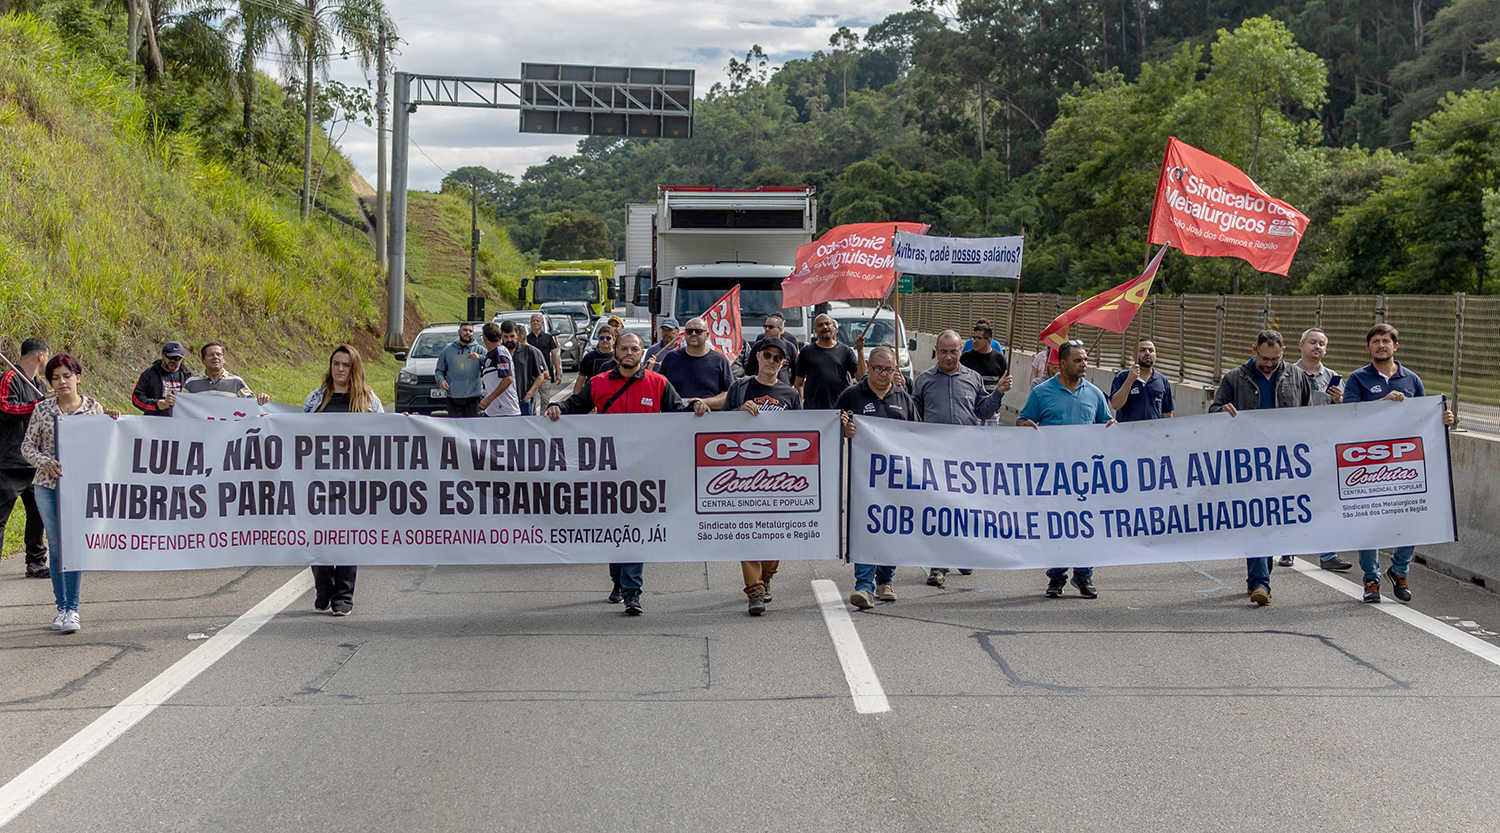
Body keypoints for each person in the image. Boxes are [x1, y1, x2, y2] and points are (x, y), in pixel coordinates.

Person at [547, 332, 710, 615]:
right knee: (614, 529)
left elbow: (677, 411)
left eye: (635, 349)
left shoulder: (658, 383)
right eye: (625, 348)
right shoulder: (598, 384)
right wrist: (556, 406)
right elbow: (576, 406)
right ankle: (618, 581)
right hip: (609, 471)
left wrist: (694, 404)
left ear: (642, 352)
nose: (629, 353)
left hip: (645, 471)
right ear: (616, 353)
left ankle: (633, 591)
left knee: (636, 529)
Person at [1342, 323, 1457, 603]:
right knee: (1367, 522)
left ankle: (1399, 569)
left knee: (1412, 517)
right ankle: (1371, 579)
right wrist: (1382, 401)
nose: (1381, 345)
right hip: (1367, 463)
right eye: (1375, 341)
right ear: (1368, 347)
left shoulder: (1412, 379)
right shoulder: (1358, 378)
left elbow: (1424, 416)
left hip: (1404, 462)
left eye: (1386, 341)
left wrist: (1445, 420)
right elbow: (1348, 416)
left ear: (1396, 346)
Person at [1207, 330, 1313, 607]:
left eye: (1275, 358)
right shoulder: (1234, 378)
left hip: (1284, 461)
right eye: (1264, 358)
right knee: (1256, 518)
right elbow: (1213, 409)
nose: (1269, 363)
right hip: (1247, 462)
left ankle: (1260, 573)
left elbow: (1309, 416)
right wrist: (1222, 411)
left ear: (1283, 351)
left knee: (1273, 521)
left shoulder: (1296, 376)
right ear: (1254, 350)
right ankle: (1260, 581)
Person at [22, 354, 120, 634]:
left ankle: (73, 609)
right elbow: (27, 447)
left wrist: (112, 420)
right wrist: (45, 462)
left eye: (67, 375)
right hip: (47, 486)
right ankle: (61, 607)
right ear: (50, 381)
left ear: (78, 377)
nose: (62, 381)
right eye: (55, 377)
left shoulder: (94, 408)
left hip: (81, 488)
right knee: (56, 545)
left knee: (73, 545)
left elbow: (109, 444)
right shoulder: (42, 410)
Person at [1018, 339, 1115, 599]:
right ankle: (1057, 577)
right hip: (1053, 475)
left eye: (1085, 359)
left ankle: (1084, 576)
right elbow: (1022, 420)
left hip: (1086, 476)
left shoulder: (1094, 394)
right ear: (1061, 364)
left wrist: (1112, 427)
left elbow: (1107, 424)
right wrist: (1026, 425)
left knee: (1086, 526)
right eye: (1078, 360)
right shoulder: (1042, 393)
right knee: (1058, 526)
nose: (1084, 364)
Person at [912, 330, 1010, 586]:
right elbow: (913, 417)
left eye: (953, 351)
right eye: (943, 351)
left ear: (960, 351)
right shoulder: (923, 380)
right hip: (934, 456)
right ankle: (938, 564)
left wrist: (997, 393)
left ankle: (963, 554)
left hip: (965, 457)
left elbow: (984, 412)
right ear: (936, 350)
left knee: (964, 509)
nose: (948, 356)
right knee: (938, 510)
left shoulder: (973, 378)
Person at [302, 345, 383, 616]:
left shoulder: (368, 400)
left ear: (354, 368)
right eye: (335, 363)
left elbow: (385, 434)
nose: (339, 369)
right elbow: (296, 432)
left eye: (345, 365)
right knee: (317, 538)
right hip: (319, 482)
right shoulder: (316, 398)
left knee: (348, 539)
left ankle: (343, 597)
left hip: (354, 483)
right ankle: (323, 585)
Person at [723, 336, 801, 615]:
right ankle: (754, 589)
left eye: (778, 358)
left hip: (779, 478)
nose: (772, 361)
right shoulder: (740, 387)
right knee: (748, 532)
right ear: (757, 357)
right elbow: (720, 428)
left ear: (784, 364)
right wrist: (737, 413)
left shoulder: (790, 395)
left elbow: (802, 435)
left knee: (776, 534)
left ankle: (766, 577)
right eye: (767, 355)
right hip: (744, 477)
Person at [837, 345, 919, 609]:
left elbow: (918, 436)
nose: (883, 374)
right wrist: (844, 430)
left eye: (888, 369)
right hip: (864, 480)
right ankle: (863, 586)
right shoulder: (852, 395)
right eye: (878, 369)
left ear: (895, 370)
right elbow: (831, 428)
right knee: (866, 529)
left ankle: (886, 579)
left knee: (891, 528)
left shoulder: (904, 399)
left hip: (896, 479)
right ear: (868, 368)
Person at [1283, 328, 1350, 571]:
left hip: (1322, 447)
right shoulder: (1286, 373)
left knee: (1325, 500)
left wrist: (1339, 400)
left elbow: (1345, 415)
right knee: (1293, 499)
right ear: (1301, 345)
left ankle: (1328, 554)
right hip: (1293, 446)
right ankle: (1288, 549)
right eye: (1313, 342)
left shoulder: (1332, 377)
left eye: (1322, 343)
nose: (1317, 347)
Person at [1, 338, 51, 578]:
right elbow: (4, 409)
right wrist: (38, 405)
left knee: (38, 513)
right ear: (41, 356)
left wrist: (48, 403)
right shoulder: (10, 378)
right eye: (47, 357)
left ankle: (36, 561)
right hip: (9, 462)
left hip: (35, 462)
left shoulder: (40, 385)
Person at [657, 317, 734, 410]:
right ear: (684, 334)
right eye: (689, 331)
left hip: (708, 418)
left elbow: (729, 395)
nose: (693, 334)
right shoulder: (670, 358)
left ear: (707, 335)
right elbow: (659, 387)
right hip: (674, 418)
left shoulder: (720, 361)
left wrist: (703, 402)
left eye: (698, 331)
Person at [795, 313, 862, 410]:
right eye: (820, 325)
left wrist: (860, 351)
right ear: (815, 330)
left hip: (839, 409)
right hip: (813, 410)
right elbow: (798, 384)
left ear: (834, 327)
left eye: (827, 324)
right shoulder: (806, 352)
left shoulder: (845, 351)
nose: (824, 327)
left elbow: (861, 378)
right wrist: (799, 407)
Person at [183, 341, 271, 404]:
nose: (215, 357)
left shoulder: (236, 382)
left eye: (219, 354)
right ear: (203, 360)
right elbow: (181, 405)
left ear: (223, 359)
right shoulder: (191, 383)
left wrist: (262, 399)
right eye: (211, 355)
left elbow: (252, 404)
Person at [1108, 339, 1174, 422]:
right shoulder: (1122, 377)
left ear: (1155, 355)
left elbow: (1167, 413)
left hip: (1153, 432)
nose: (1147, 353)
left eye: (1151, 350)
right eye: (1142, 350)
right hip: (1128, 432)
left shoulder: (1162, 380)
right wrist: (1130, 380)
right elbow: (1116, 405)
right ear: (1134, 356)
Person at [959, 320, 1008, 425]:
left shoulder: (999, 358)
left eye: (979, 338)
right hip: (970, 409)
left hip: (992, 412)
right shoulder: (966, 358)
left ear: (989, 341)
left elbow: (1003, 381)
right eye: (974, 337)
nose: (974, 341)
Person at [434, 322, 486, 418]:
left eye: (470, 331)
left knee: (472, 427)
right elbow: (439, 370)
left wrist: (480, 357)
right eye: (465, 330)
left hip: (473, 396)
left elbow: (490, 363)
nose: (468, 333)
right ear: (459, 332)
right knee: (455, 427)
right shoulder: (447, 351)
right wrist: (441, 381)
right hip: (453, 396)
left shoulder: (480, 350)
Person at [132, 341, 191, 416]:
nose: (172, 361)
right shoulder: (149, 374)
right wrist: (156, 404)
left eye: (176, 358)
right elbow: (136, 398)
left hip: (180, 424)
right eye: (169, 357)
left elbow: (196, 402)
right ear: (163, 355)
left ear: (181, 359)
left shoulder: (188, 377)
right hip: (154, 422)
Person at [502, 321, 548, 414]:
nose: (509, 340)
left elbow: (540, 376)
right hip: (503, 402)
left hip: (523, 401)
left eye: (512, 336)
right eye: (506, 337)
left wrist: (529, 394)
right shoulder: (498, 353)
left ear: (517, 334)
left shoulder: (529, 351)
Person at [740, 314, 798, 384]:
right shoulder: (758, 346)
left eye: (771, 327)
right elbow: (749, 369)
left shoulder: (790, 347)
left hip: (781, 390)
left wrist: (790, 385)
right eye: (765, 326)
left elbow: (796, 370)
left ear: (780, 329)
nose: (767, 329)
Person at [478, 322, 519, 417]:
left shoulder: (500, 351)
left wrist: (489, 399)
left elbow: (508, 379)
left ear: (484, 338)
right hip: (492, 410)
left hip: (505, 411)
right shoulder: (490, 355)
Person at [527, 313, 562, 409]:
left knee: (545, 400)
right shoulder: (527, 339)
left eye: (537, 321)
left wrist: (558, 373)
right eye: (533, 321)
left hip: (545, 374)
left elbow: (554, 356)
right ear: (530, 323)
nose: (535, 323)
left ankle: (543, 419)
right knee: (530, 400)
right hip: (531, 376)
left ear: (542, 323)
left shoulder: (548, 338)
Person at [574, 327, 617, 393]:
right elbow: (580, 381)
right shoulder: (589, 357)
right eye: (602, 338)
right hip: (593, 395)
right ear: (598, 339)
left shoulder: (619, 357)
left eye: (608, 338)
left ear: (614, 340)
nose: (605, 340)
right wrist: (575, 399)